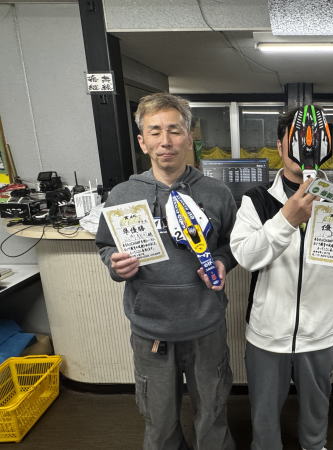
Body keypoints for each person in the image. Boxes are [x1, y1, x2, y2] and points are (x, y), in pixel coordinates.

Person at [230, 107, 333, 450]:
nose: (306, 146)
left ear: (326, 144)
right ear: (280, 145)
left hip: (320, 332)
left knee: (316, 413)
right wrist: (286, 219)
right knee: (264, 416)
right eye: (296, 139)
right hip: (268, 333)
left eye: (315, 140)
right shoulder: (257, 200)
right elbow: (245, 256)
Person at [96, 93, 237, 450]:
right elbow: (106, 245)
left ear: (189, 137)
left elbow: (232, 244)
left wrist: (222, 261)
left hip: (205, 324)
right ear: (142, 141)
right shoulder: (123, 195)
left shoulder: (217, 193)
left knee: (213, 411)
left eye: (174, 130)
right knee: (158, 419)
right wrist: (115, 264)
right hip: (151, 328)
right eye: (155, 131)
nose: (165, 141)